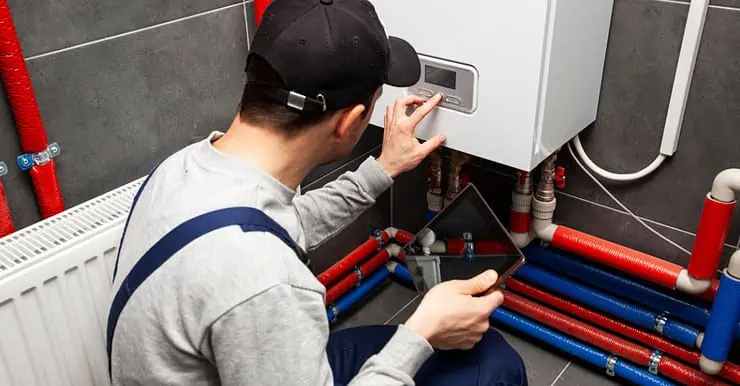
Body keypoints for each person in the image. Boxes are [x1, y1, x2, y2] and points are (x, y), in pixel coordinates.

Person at [107, 0, 527, 385]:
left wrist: (383, 168)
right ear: (350, 122)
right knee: (495, 369)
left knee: (479, 354)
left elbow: (280, 225)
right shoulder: (266, 284)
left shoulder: (184, 169)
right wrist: (421, 332)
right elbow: (258, 276)